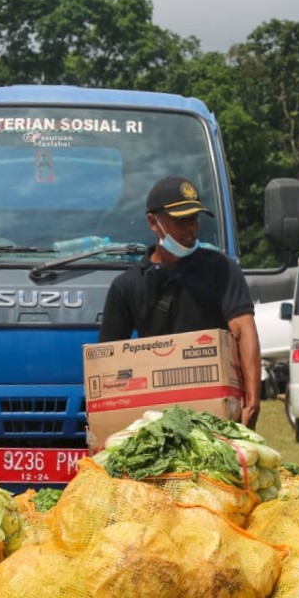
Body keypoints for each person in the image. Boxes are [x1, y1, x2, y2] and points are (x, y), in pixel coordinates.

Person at [99, 176, 262, 428]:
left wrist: (252, 400)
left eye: (194, 219)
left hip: (215, 416)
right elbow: (108, 360)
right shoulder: (126, 286)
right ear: (153, 222)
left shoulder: (221, 269)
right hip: (156, 421)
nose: (192, 228)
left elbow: (245, 329)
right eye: (181, 220)